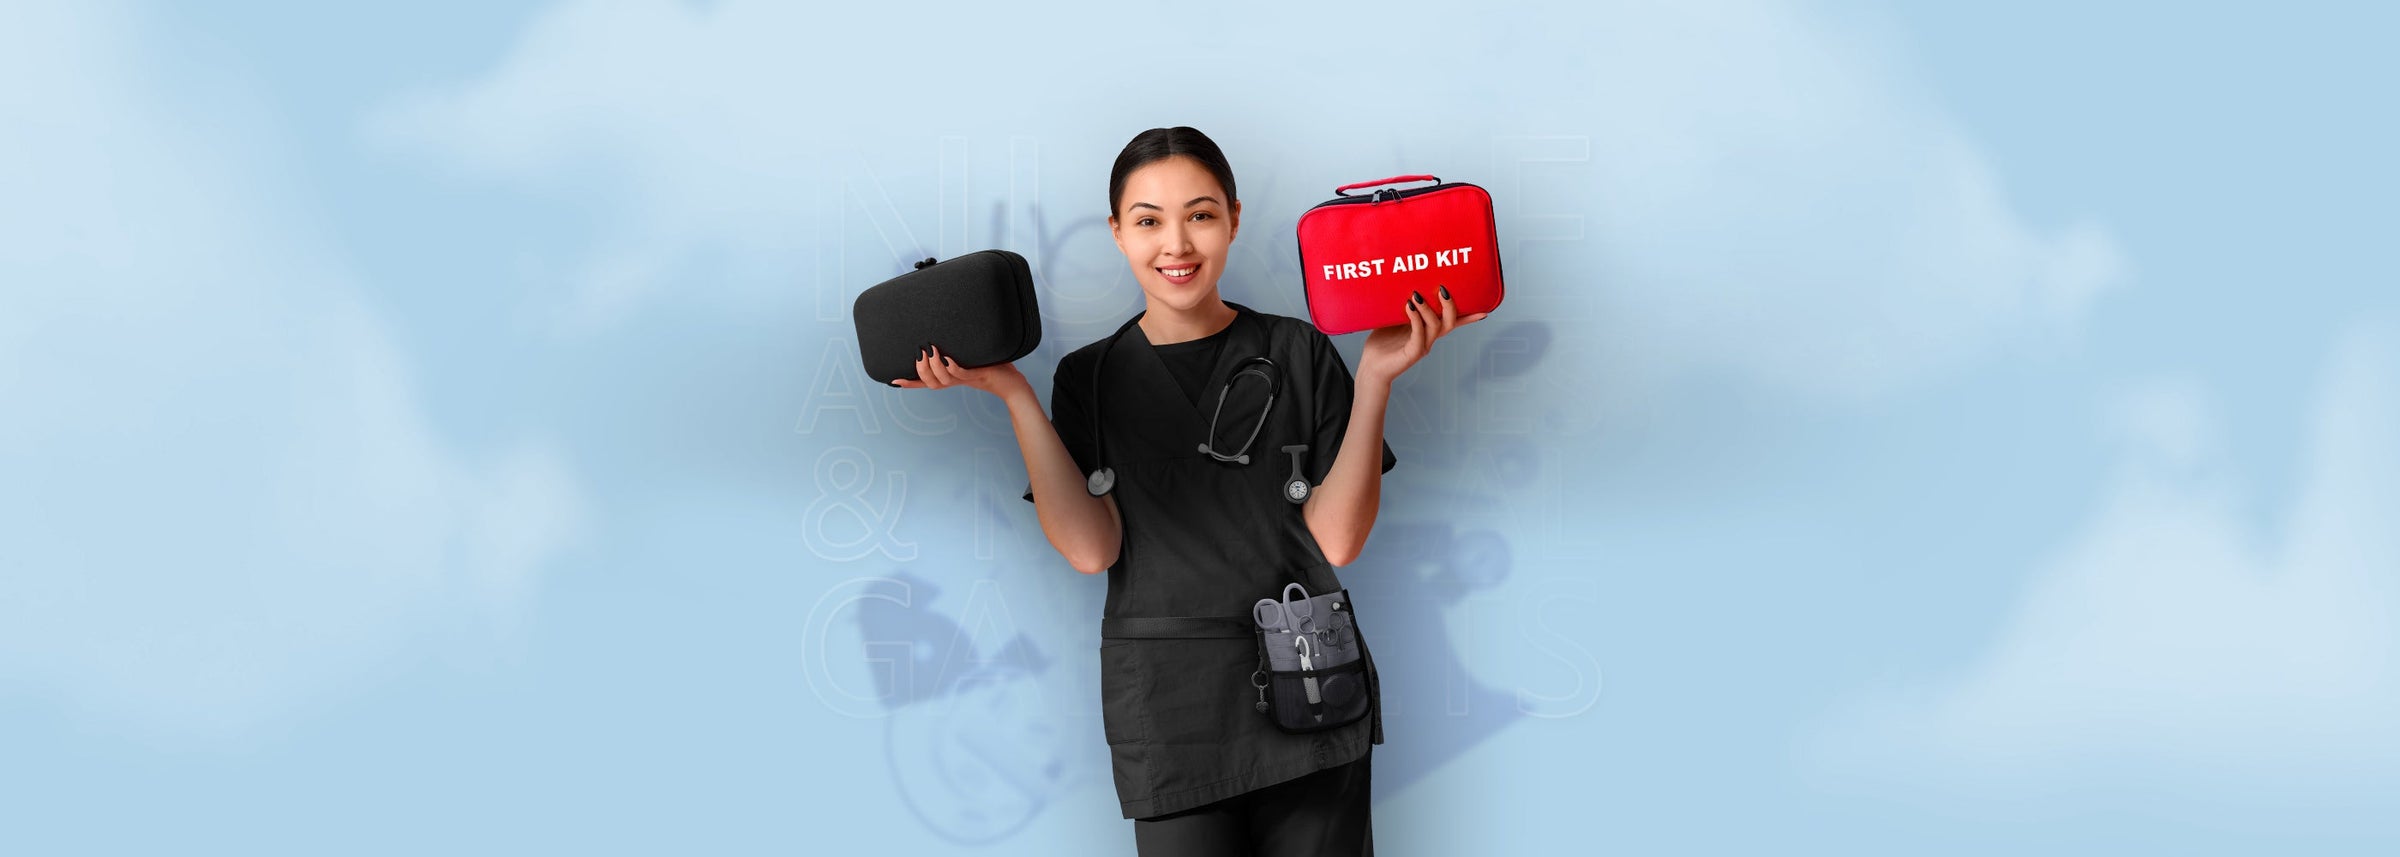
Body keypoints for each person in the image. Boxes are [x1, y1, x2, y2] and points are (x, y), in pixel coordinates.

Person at [892, 126, 1484, 856]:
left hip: (1311, 686)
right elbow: (1089, 548)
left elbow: (1338, 541)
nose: (1176, 244)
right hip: (1172, 709)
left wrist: (1374, 380)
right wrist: (1015, 395)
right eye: (1148, 221)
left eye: (1200, 215)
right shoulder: (1090, 378)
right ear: (1117, 232)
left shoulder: (1299, 350)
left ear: (1234, 218)